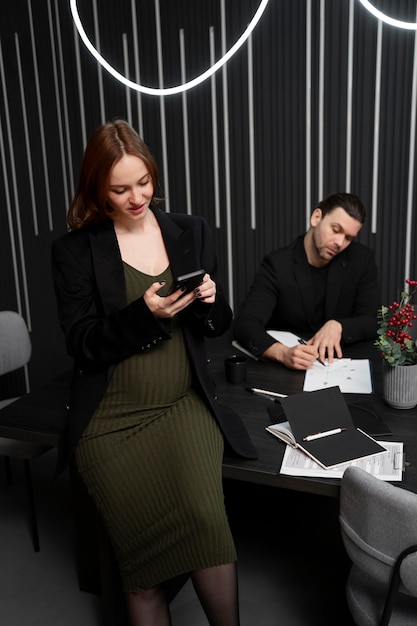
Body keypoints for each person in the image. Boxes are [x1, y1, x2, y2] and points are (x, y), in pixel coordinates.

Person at [51, 119, 256, 626]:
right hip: (110, 422)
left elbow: (217, 325)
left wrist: (210, 302)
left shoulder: (190, 230)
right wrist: (144, 315)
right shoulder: (74, 250)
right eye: (119, 189)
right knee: (141, 570)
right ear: (97, 188)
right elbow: (81, 343)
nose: (137, 196)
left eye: (144, 182)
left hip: (182, 404)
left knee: (208, 525)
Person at [233, 192, 380, 370]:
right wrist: (282, 353)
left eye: (349, 238)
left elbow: (373, 319)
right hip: (283, 372)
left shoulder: (362, 260)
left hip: (338, 367)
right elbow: (245, 323)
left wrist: (340, 326)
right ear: (316, 217)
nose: (340, 242)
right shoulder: (277, 264)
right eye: (335, 229)